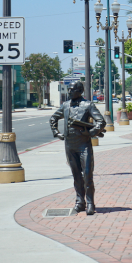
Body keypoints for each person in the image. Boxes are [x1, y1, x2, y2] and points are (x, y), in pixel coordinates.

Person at [50, 81, 106, 215]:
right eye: (68, 89)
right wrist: (57, 133)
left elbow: (101, 122)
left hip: (83, 145)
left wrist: (91, 133)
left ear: (79, 91)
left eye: (72, 89)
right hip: (69, 145)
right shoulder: (65, 105)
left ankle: (90, 203)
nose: (69, 91)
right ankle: (80, 202)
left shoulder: (88, 105)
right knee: (76, 176)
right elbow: (53, 119)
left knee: (87, 175)